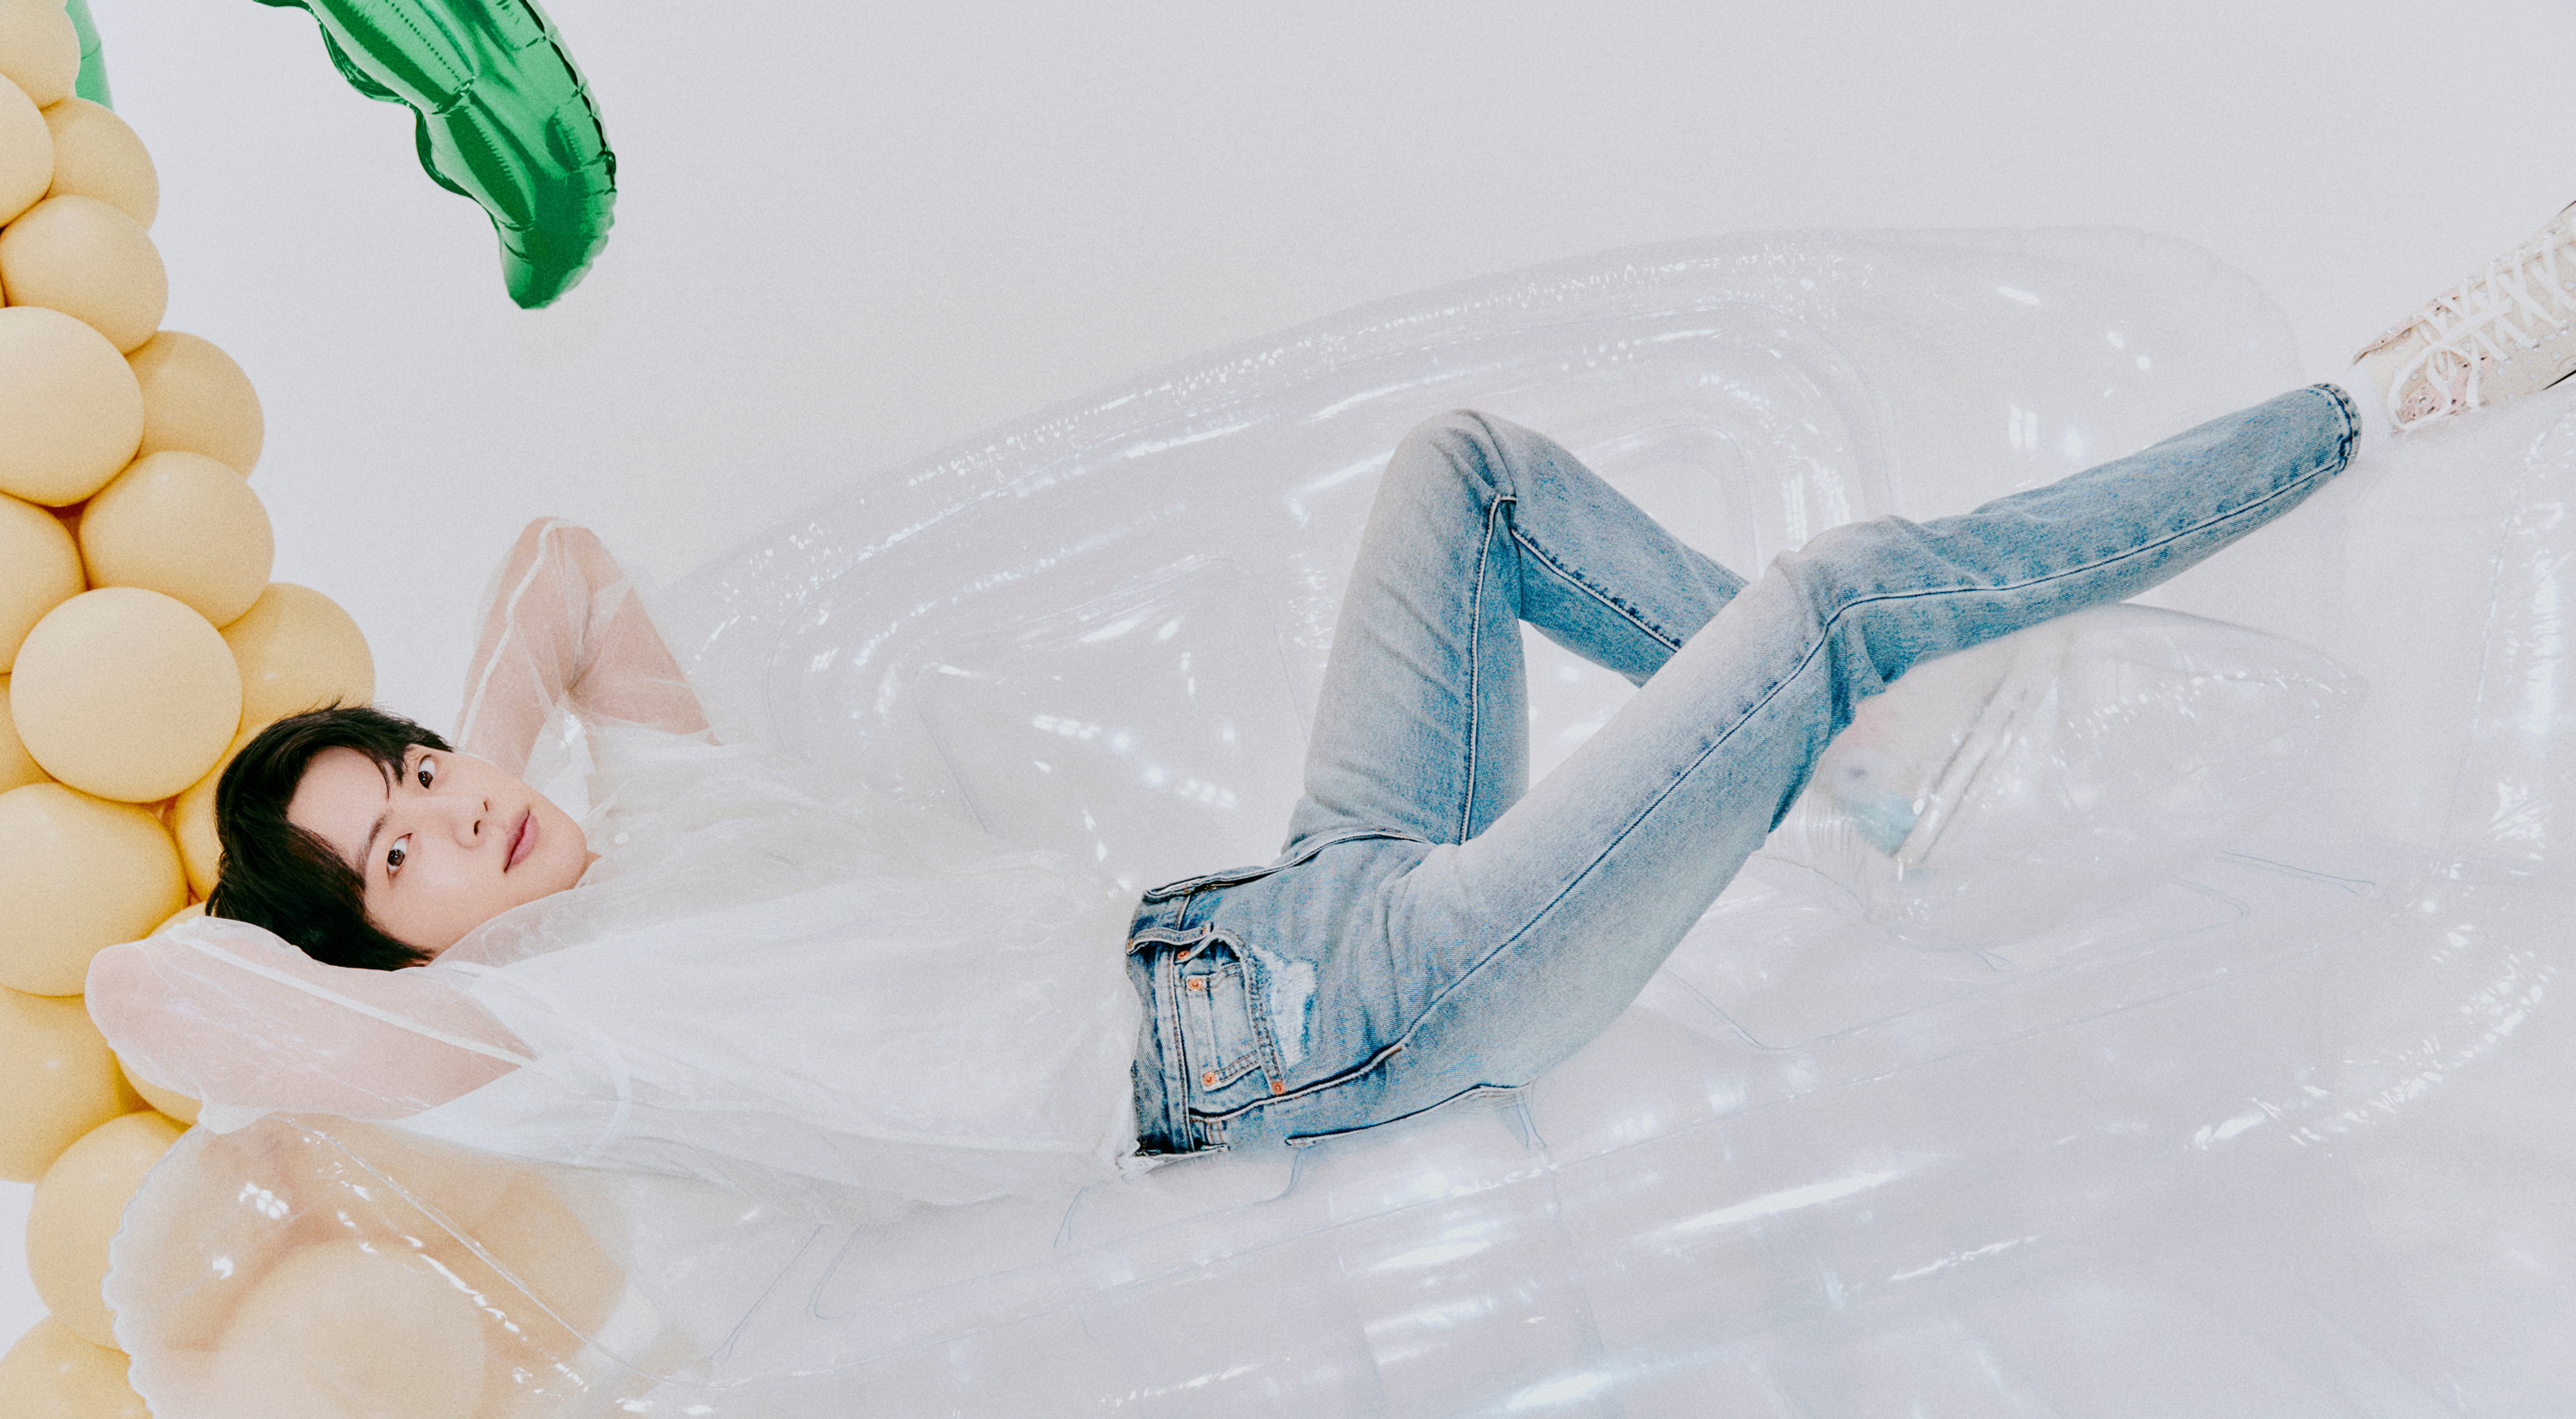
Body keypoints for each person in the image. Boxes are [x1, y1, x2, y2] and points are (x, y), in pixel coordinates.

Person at [85, 206, 2576, 1213]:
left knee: (1466, 473)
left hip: (1288, 902)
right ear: (387, 949)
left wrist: (482, 778)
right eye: (401, 851)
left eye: (428, 779)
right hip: (1339, 1024)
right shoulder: (551, 1051)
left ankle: (1877, 783)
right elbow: (172, 1005)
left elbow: (555, 564)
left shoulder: (656, 831)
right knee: (1833, 599)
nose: (457, 817)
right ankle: (2387, 396)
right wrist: (396, 937)